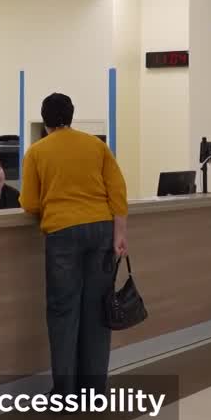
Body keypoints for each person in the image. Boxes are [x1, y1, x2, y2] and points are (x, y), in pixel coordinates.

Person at [20, 92, 127, 396]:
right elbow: (117, 189)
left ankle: (64, 390)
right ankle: (94, 388)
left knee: (63, 310)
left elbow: (29, 202)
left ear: (45, 120)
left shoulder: (37, 152)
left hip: (63, 231)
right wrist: (120, 232)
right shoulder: (96, 145)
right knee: (96, 308)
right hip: (101, 228)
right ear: (71, 115)